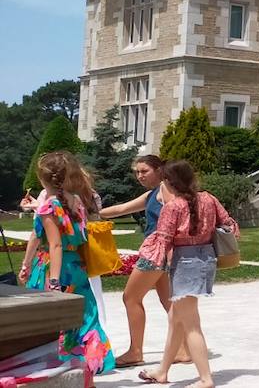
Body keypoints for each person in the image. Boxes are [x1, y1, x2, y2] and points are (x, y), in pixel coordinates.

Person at [136, 160, 239, 388]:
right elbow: (229, 224)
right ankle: (162, 371)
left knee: (191, 323)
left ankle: (205, 378)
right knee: (176, 319)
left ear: (168, 182)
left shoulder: (173, 207)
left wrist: (152, 262)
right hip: (206, 259)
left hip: (184, 263)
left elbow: (162, 239)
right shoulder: (208, 198)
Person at [18, 151, 117, 384]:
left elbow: (52, 244)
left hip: (53, 268)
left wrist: (49, 279)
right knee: (85, 319)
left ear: (43, 179)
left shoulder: (48, 207)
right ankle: (88, 376)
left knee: (49, 323)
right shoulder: (77, 201)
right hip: (77, 268)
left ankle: (52, 374)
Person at [99, 155, 190, 368]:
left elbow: (175, 215)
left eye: (144, 171)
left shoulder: (165, 189)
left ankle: (135, 351)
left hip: (156, 252)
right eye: (137, 172)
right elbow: (121, 209)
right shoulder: (153, 194)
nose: (139, 176)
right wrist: (90, 213)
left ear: (159, 170)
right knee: (170, 303)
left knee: (130, 297)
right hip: (163, 253)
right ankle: (184, 349)